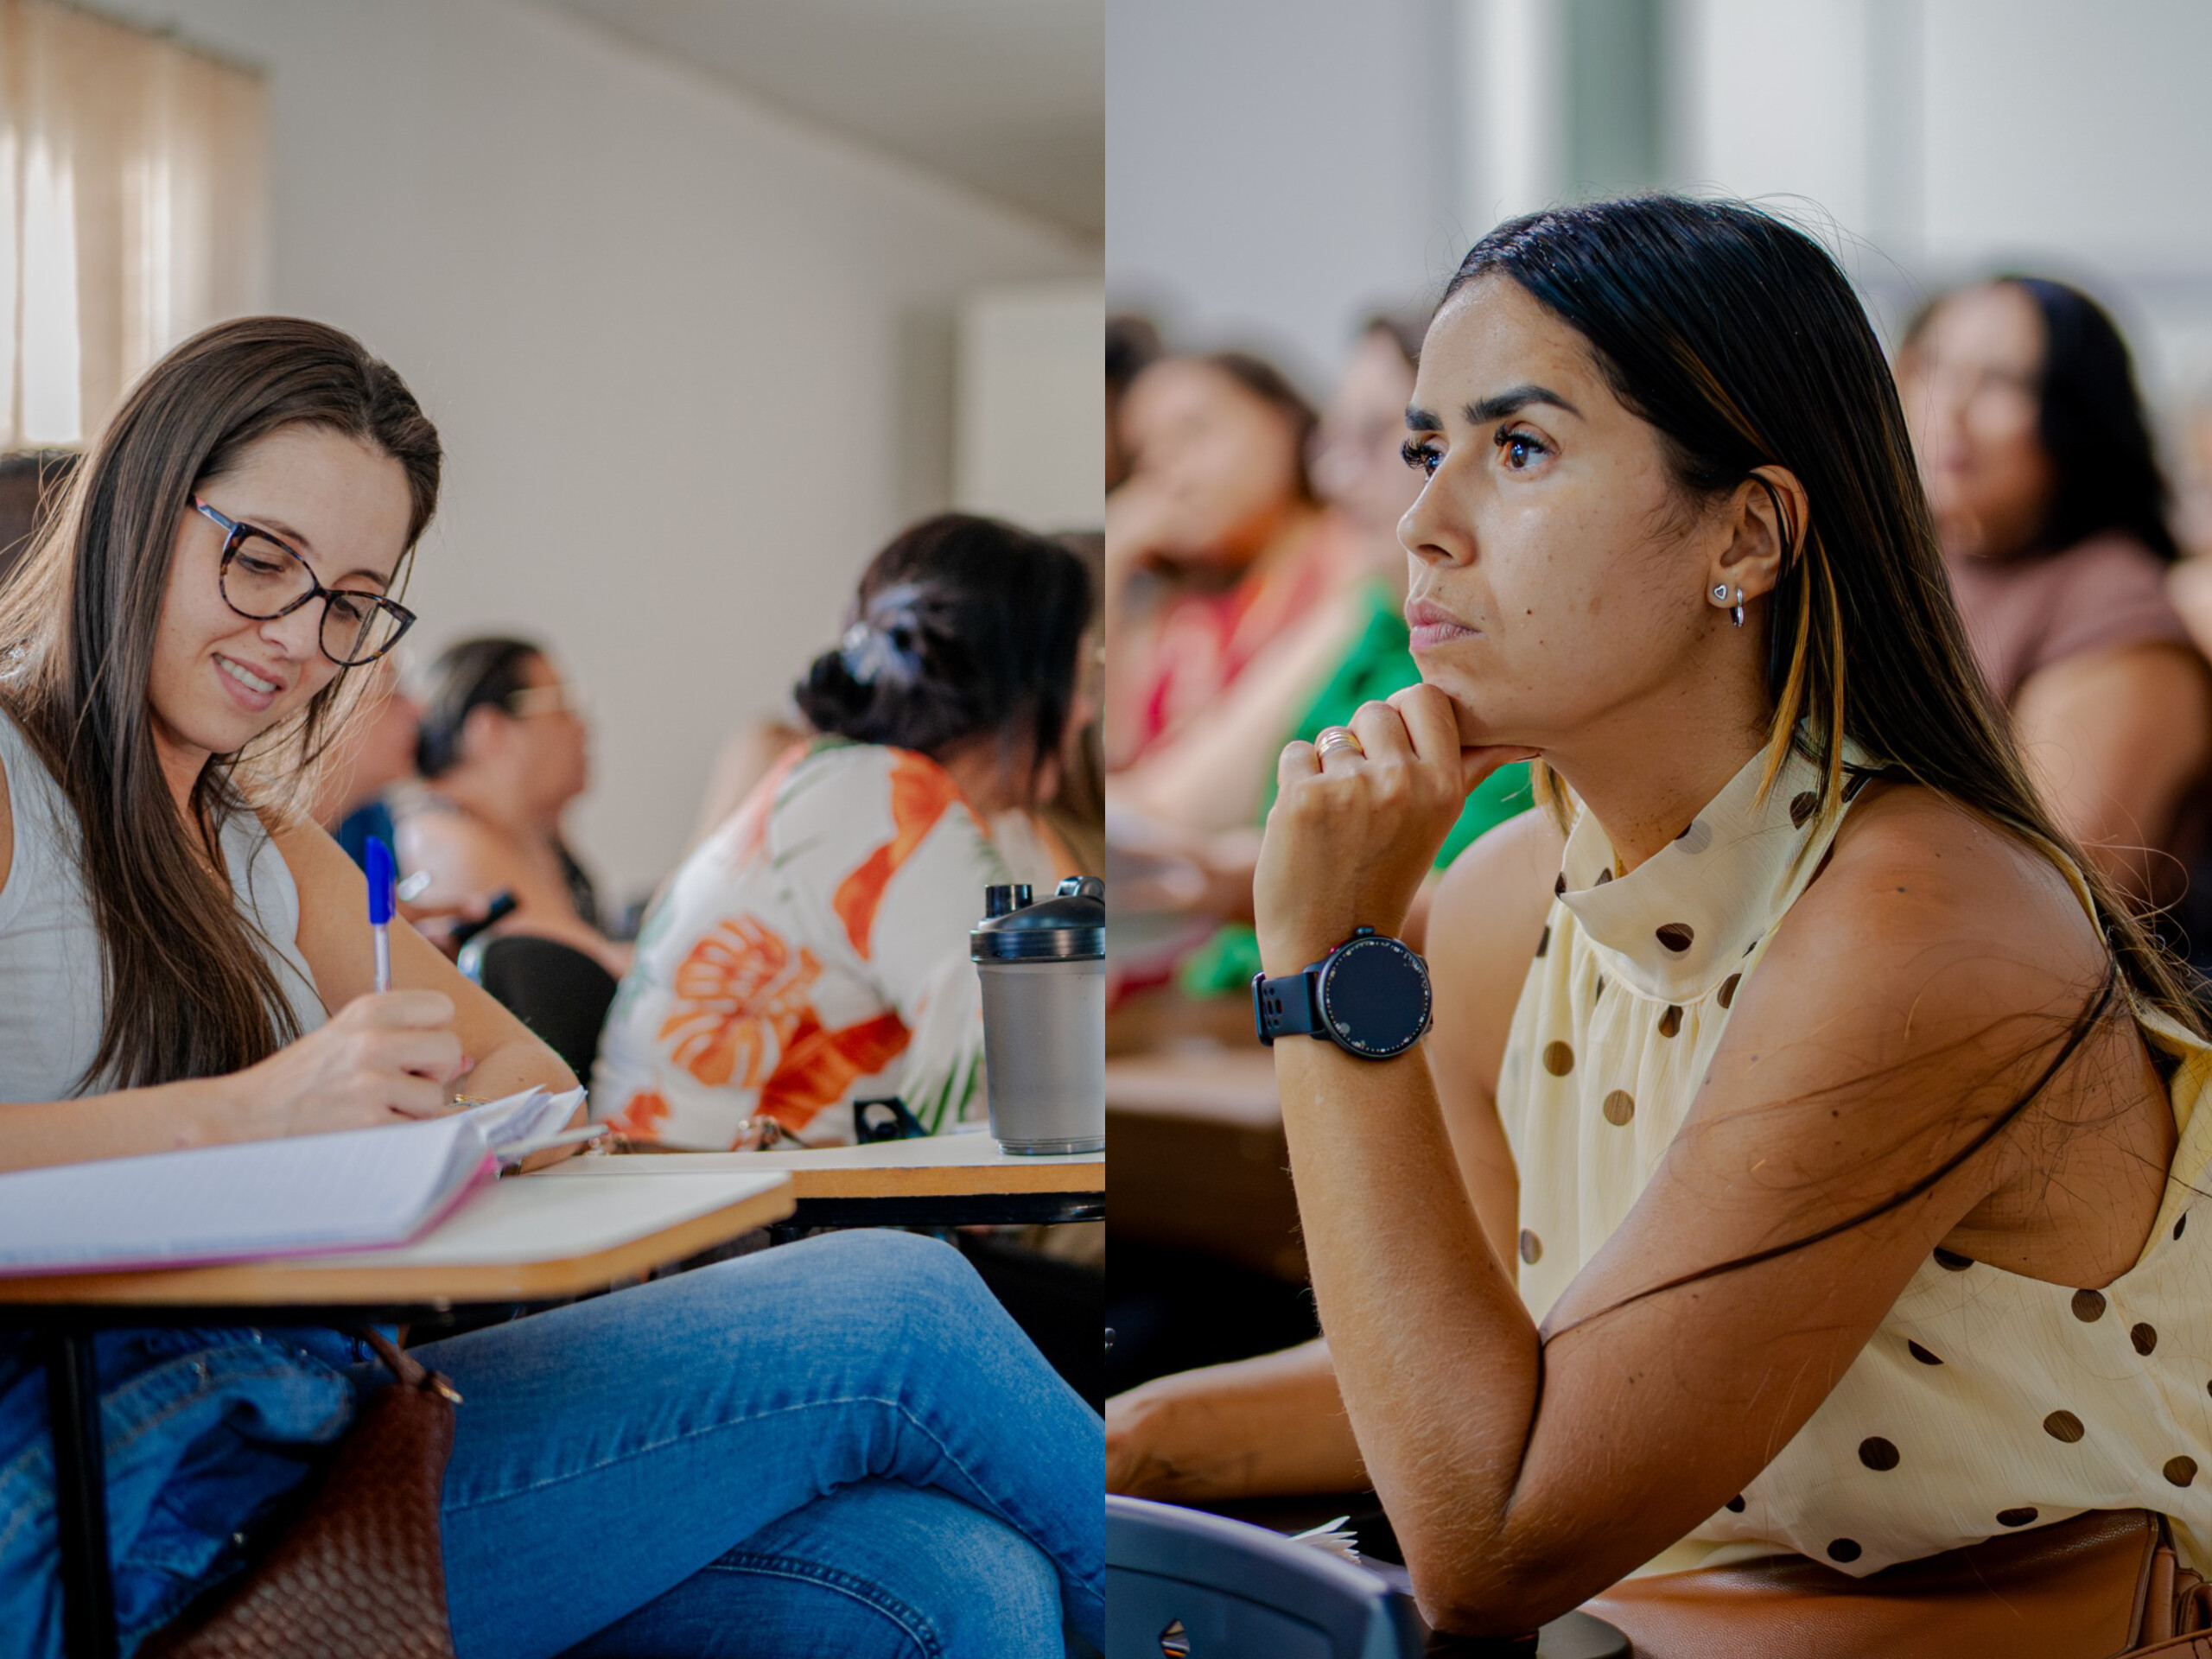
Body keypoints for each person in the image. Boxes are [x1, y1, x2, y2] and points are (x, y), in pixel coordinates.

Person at [1103, 194, 2212, 1639]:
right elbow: (1473, 1380)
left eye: (1520, 448)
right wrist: (1127, 1446)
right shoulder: (1508, 898)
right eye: (1424, 450)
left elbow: (1490, 1540)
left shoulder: (1921, 926)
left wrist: (1329, 967)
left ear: (1745, 535)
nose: (1422, 526)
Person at [0, 317, 1102, 1659]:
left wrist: (394, 1127)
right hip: (99, 1505)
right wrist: (256, 1116)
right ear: (134, 506)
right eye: (261, 560)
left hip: (313, 1440)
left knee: (960, 1580)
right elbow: (292, 1112)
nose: (298, 638)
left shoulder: (272, 852)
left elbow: (529, 1085)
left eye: (349, 602)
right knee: (900, 1304)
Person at [594, 512, 1091, 1151]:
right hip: (710, 1217)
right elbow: (1016, 1072)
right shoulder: (884, 800)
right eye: (1081, 677)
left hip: (781, 1199)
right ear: (1024, 687)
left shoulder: (899, 792)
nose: (1083, 714)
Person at [1897, 276, 2212, 912]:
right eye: (1933, 367)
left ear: (2073, 417)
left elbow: (2050, 914)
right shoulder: (1909, 559)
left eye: (1998, 382)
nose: (1948, 408)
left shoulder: (2115, 615)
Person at [1103, 351, 1357, 772]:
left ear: (1282, 423)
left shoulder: (1352, 558)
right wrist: (1113, 559)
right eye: (1145, 456)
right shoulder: (1184, 615)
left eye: (1192, 433)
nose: (1170, 477)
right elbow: (1114, 755)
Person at [396, 636, 632, 976]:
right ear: (489, 731)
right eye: (562, 707)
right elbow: (590, 965)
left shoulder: (534, 828)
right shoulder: (441, 835)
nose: (583, 727)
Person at [306, 649, 421, 869]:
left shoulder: (371, 818)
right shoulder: (253, 832)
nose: (418, 710)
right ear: (329, 707)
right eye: (393, 693)